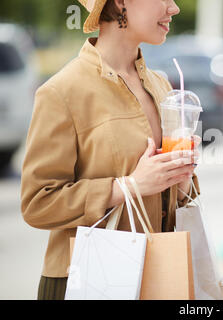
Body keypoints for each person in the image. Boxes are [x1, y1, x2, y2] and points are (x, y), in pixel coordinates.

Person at [21, 0, 200, 300]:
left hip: (157, 277)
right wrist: (128, 187)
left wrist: (182, 178)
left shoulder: (161, 86)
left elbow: (175, 199)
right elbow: (37, 203)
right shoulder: (61, 91)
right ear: (120, 2)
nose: (174, 8)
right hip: (86, 280)